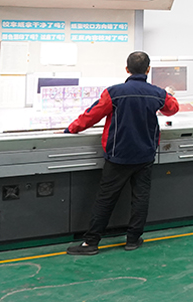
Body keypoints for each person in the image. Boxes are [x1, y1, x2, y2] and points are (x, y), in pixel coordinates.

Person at [64, 51, 179, 255]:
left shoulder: (114, 92)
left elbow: (91, 115)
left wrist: (71, 129)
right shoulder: (157, 93)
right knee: (140, 198)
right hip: (145, 155)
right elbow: (172, 108)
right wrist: (167, 93)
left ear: (127, 69)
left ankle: (91, 243)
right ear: (148, 69)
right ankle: (133, 240)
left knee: (105, 198)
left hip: (118, 155)